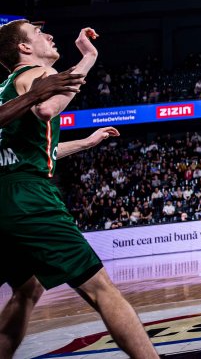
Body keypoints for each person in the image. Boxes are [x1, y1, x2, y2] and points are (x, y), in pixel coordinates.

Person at [0, 21, 158, 358]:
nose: (50, 35)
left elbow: (30, 153)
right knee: (102, 290)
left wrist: (86, 143)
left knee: (26, 288)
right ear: (24, 48)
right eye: (39, 33)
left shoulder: (5, 88)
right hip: (28, 198)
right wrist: (88, 57)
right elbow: (47, 108)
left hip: (5, 195)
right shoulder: (33, 75)